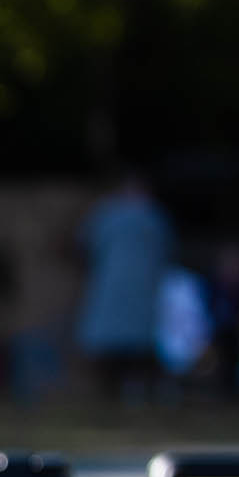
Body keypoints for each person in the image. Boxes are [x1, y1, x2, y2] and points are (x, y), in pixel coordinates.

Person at [76, 168, 173, 400]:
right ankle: (130, 394)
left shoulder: (108, 214)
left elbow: (84, 246)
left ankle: (115, 394)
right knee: (134, 348)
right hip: (136, 296)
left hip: (113, 291)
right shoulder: (154, 218)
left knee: (114, 348)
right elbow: (167, 253)